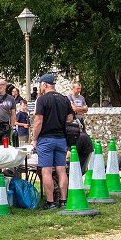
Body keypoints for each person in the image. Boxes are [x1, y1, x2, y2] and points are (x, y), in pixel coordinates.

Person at [31, 73, 74, 209]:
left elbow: (38, 121)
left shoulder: (42, 100)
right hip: (61, 138)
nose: (40, 87)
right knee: (61, 170)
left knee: (47, 171)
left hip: (46, 139)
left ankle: (50, 202)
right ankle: (63, 200)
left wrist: (34, 138)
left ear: (44, 84)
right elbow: (70, 118)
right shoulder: (64, 99)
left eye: (40, 84)